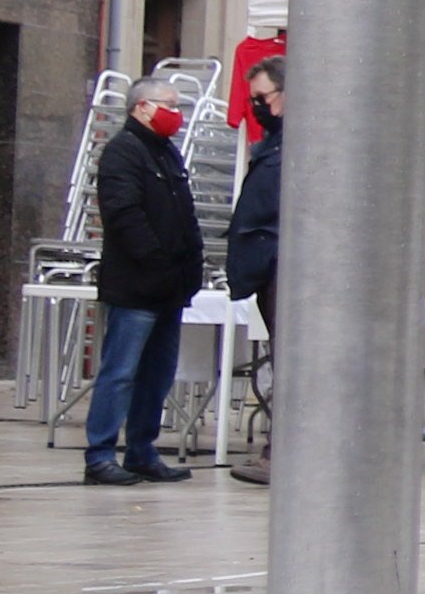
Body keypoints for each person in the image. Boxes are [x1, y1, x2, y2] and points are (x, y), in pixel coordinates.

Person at [82, 73, 201, 487]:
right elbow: (124, 216)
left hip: (169, 288)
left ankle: (141, 451)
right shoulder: (123, 152)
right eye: (168, 105)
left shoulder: (166, 154)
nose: (176, 113)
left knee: (157, 374)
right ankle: (100, 455)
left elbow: (185, 217)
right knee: (121, 372)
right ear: (142, 108)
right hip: (136, 287)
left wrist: (188, 271)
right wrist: (156, 262)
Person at [220, 58, 282, 482]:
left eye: (263, 98)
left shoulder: (299, 142)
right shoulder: (274, 142)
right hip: (271, 266)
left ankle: (280, 454)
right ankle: (277, 452)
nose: (258, 106)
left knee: (293, 363)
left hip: (285, 266)